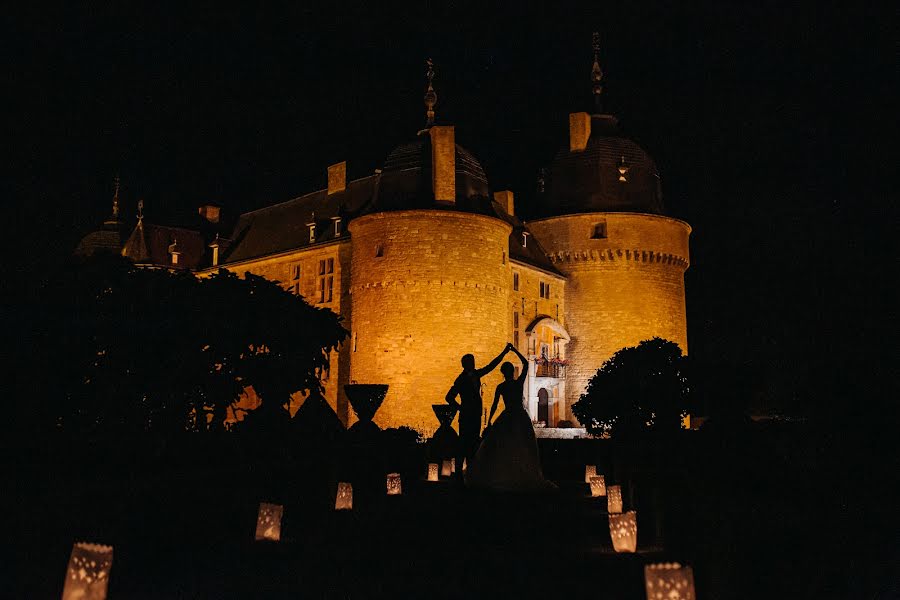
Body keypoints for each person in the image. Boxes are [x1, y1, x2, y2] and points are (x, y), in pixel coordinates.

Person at [466, 343, 555, 491]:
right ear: (511, 372)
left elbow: (494, 405)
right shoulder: (518, 383)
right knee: (522, 445)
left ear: (503, 373)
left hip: (507, 416)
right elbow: (526, 364)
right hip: (519, 416)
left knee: (504, 445)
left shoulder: (501, 387)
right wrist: (514, 351)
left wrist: (489, 421)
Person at [445, 346, 510, 480]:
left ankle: (470, 474)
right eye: (472, 362)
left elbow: (490, 366)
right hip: (466, 416)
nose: (474, 364)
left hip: (475, 415)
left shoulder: (475, 374)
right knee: (463, 445)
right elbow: (449, 397)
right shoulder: (460, 379)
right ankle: (459, 475)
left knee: (473, 444)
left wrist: (504, 352)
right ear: (466, 364)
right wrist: (460, 408)